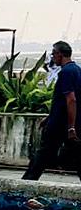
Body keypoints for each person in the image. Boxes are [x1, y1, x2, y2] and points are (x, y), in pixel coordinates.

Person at [24, 41, 80, 181]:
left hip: (60, 124)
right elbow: (62, 102)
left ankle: (28, 182)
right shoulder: (77, 70)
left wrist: (71, 126)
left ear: (60, 54)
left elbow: (71, 99)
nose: (53, 57)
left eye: (54, 53)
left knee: (44, 153)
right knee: (78, 155)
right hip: (64, 121)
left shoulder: (66, 72)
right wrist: (49, 117)